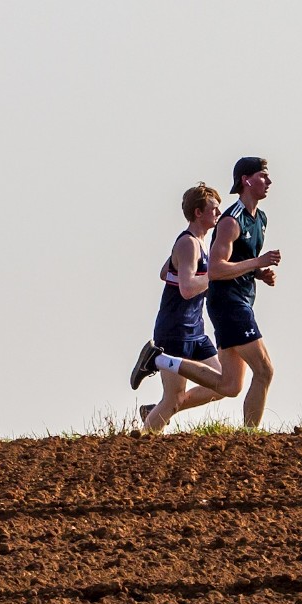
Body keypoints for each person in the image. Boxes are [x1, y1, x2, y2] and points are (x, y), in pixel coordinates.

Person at [130, 183, 242, 432]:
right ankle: (143, 439)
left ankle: (154, 411)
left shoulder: (201, 243)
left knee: (226, 385)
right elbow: (188, 289)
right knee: (173, 399)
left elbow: (165, 272)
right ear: (198, 213)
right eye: (214, 208)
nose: (219, 212)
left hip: (196, 330)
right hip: (175, 329)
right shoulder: (188, 243)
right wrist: (215, 276)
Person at [204, 157, 282, 429]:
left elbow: (240, 260)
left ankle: (164, 368)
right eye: (263, 176)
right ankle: (251, 437)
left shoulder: (260, 218)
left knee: (230, 384)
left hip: (241, 301)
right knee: (264, 370)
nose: (269, 181)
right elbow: (215, 269)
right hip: (229, 303)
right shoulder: (231, 220)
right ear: (246, 180)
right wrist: (257, 262)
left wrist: (258, 273)